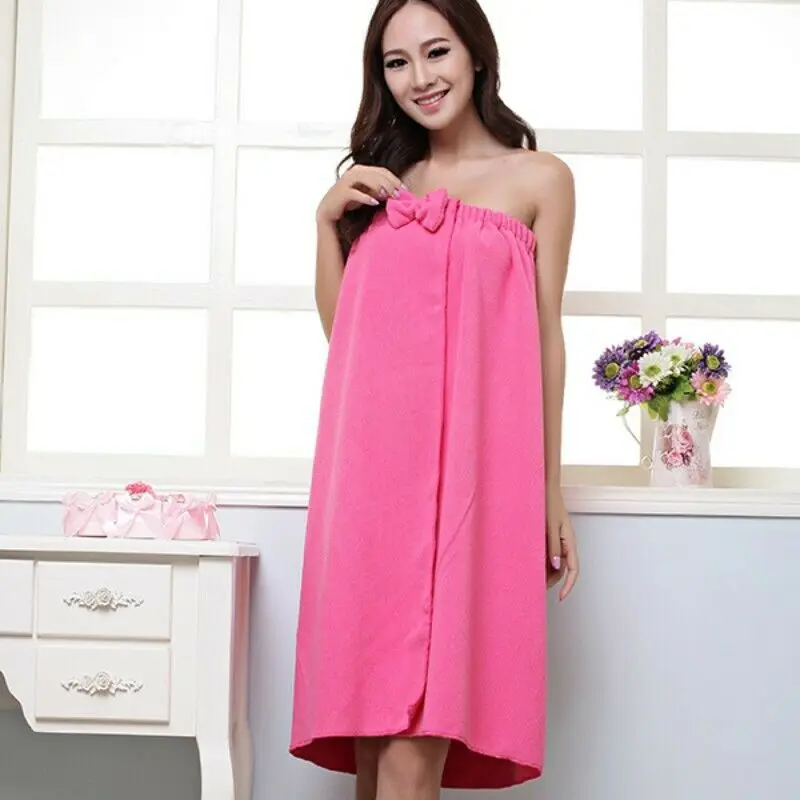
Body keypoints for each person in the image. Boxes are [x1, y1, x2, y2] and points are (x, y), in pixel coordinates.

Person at [290, 0, 579, 797]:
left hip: (470, 484)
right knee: (373, 740)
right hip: (372, 479)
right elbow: (345, 332)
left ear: (476, 54)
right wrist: (326, 221)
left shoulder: (541, 179)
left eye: (437, 52)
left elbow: (546, 336)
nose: (420, 77)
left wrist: (550, 488)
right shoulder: (382, 183)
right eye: (397, 62)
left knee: (417, 739)